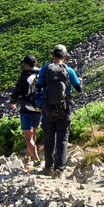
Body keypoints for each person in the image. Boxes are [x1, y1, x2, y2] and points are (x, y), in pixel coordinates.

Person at [37, 44, 83, 177]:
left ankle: (48, 167)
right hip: (64, 109)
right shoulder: (69, 70)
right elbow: (78, 89)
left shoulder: (45, 69)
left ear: (53, 55)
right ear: (64, 56)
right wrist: (81, 82)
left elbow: (38, 87)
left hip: (48, 110)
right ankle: (59, 169)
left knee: (48, 138)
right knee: (62, 139)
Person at [9, 54, 41, 166]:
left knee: (28, 137)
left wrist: (13, 102)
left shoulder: (25, 77)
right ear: (36, 64)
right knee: (33, 134)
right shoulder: (41, 74)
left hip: (27, 109)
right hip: (39, 109)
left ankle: (37, 160)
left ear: (26, 65)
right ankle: (28, 156)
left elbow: (16, 91)